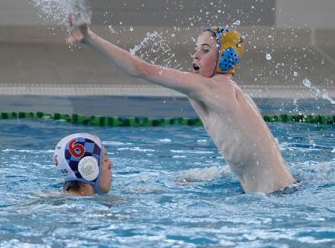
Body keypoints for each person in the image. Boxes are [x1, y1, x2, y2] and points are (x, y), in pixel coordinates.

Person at [66, 18, 296, 193]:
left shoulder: (214, 88)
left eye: (205, 50)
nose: (196, 55)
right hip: (282, 192)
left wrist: (90, 39)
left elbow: (141, 70)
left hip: (275, 199)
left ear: (226, 58)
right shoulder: (226, 92)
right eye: (196, 49)